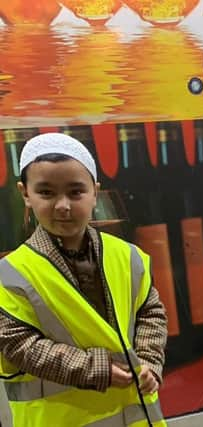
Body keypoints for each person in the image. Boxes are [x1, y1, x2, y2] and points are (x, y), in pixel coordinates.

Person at [0, 133, 168, 426]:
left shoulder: (128, 256)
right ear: (25, 193)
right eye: (46, 193)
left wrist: (150, 362)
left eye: (76, 192)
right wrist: (96, 368)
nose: (63, 205)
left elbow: (150, 312)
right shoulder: (11, 275)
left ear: (95, 192)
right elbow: (20, 345)